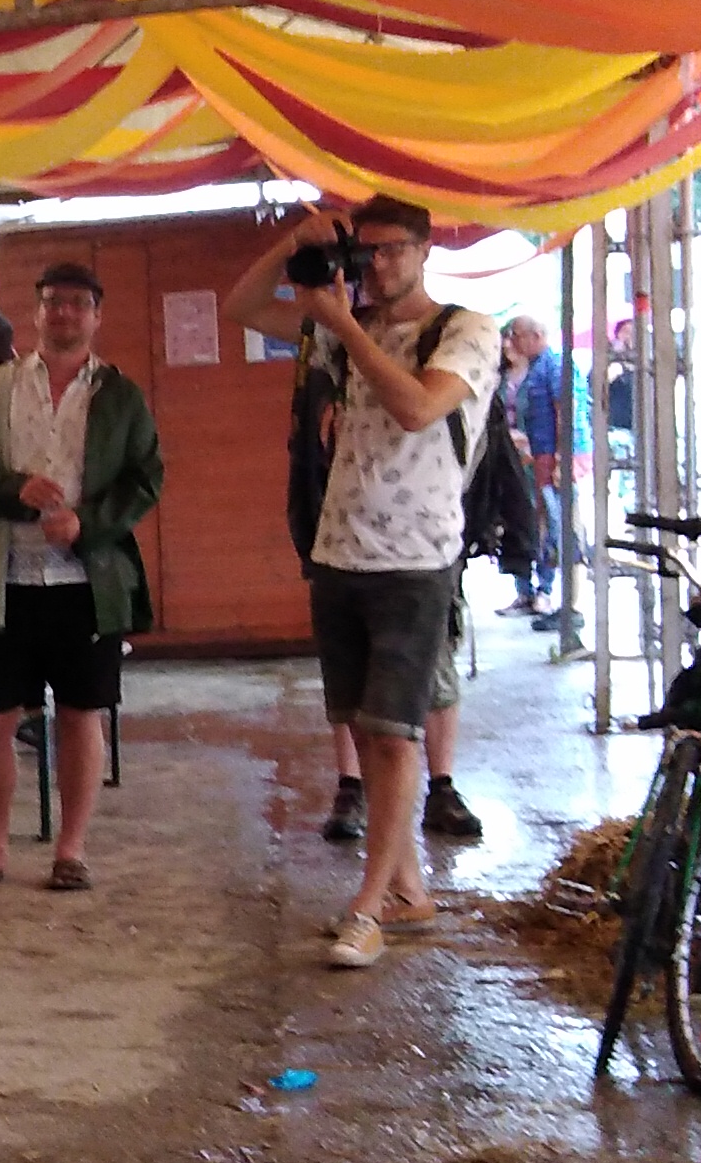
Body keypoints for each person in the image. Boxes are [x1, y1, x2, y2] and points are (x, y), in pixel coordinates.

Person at [236, 195, 502, 969]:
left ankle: (368, 905)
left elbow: (418, 407)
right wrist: (296, 245)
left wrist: (344, 327)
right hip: (339, 550)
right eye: (367, 252)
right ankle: (407, 890)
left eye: (392, 251)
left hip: (416, 559)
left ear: (425, 251)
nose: (377, 266)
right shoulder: (342, 325)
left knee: (392, 735)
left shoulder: (463, 330)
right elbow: (242, 308)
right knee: (360, 727)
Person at [0, 259, 163, 893]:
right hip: (3, 581)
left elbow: (146, 480)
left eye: (77, 303)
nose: (64, 313)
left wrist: (88, 524)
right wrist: (13, 489)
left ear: (97, 316)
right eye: (53, 302)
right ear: (35, 312)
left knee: (82, 715)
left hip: (88, 586)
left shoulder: (120, 395)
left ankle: (71, 851)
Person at [501, 316, 568, 623]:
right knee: (524, 522)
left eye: (517, 335)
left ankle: (545, 588)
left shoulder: (553, 366)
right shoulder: (525, 370)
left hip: (545, 456)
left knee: (549, 525)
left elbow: (563, 413)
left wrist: (560, 458)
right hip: (525, 457)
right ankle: (525, 589)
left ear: (536, 335)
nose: (512, 342)